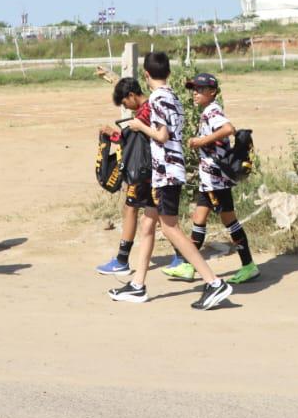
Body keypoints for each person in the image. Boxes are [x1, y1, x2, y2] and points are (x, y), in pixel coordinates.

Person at [107, 52, 233, 310]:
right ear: (168, 73)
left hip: (165, 170)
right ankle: (138, 285)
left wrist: (139, 127)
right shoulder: (173, 96)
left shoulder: (157, 99)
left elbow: (162, 135)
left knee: (170, 228)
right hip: (168, 169)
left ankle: (213, 281)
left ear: (145, 74)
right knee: (148, 224)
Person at [162, 72, 259, 284]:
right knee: (199, 220)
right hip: (211, 179)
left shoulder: (212, 111)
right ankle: (189, 266)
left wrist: (200, 141)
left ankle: (248, 265)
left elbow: (228, 129)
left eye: (200, 90)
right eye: (194, 89)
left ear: (212, 92)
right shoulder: (207, 110)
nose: (195, 93)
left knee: (230, 221)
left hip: (217, 179)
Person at [96, 75, 151, 275]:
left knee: (131, 210)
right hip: (154, 172)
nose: (127, 107)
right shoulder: (150, 106)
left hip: (144, 172)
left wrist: (114, 135)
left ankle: (121, 260)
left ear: (131, 95)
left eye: (125, 102)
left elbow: (136, 137)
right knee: (160, 216)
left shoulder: (145, 112)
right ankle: (182, 258)